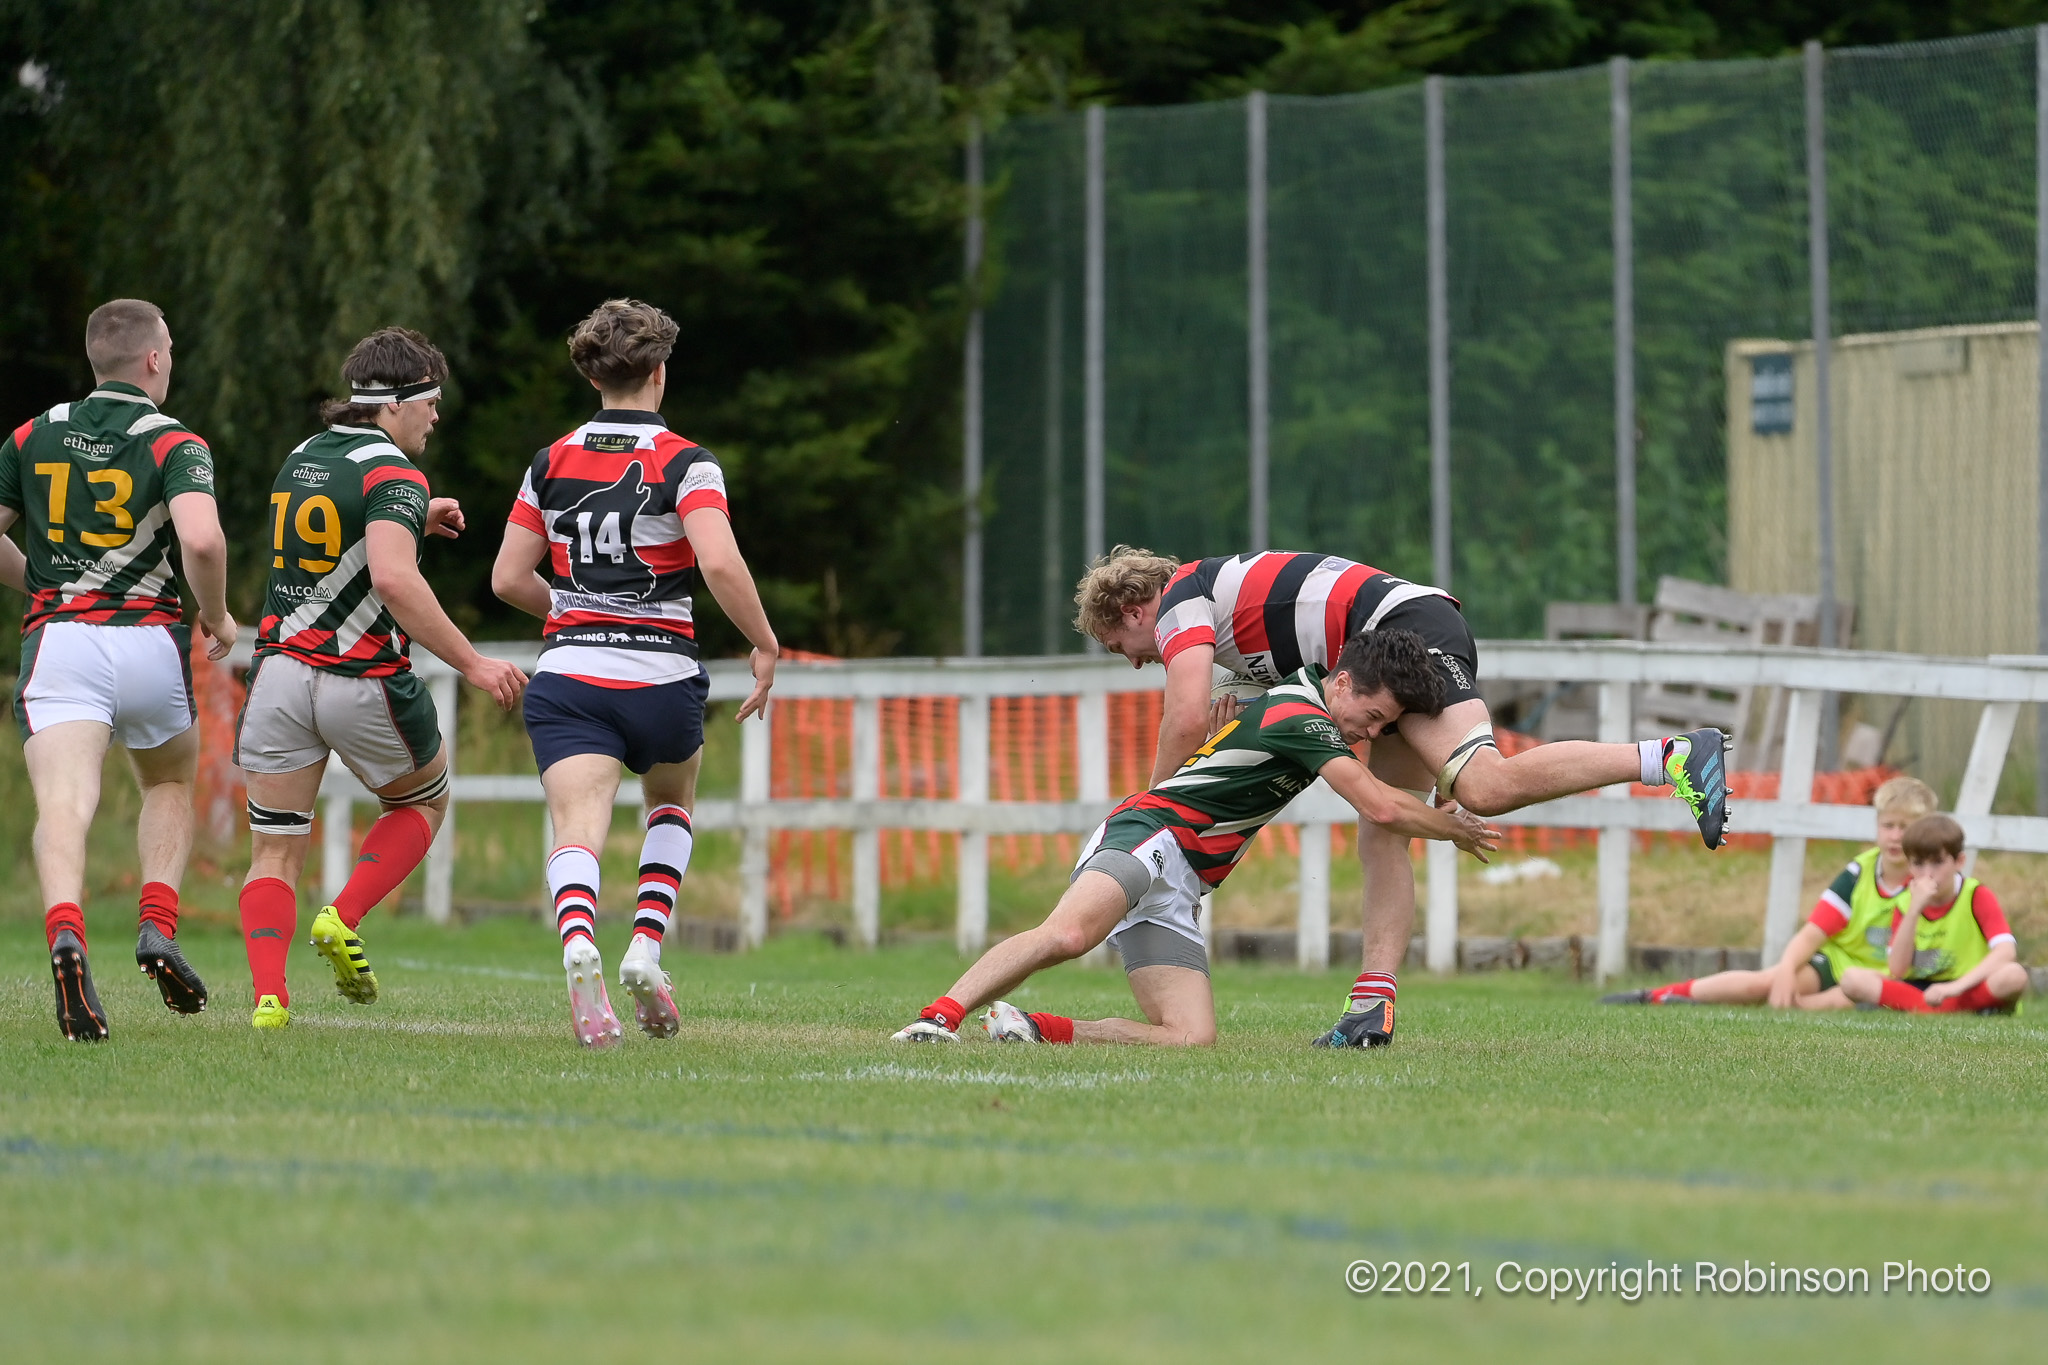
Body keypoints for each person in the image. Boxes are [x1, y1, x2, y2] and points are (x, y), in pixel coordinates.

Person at [1073, 545, 1731, 1048]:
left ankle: (1669, 756)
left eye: (1120, 645)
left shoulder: (1182, 600)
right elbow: (1300, 693)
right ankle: (1369, 1008)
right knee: (1382, 827)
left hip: (1405, 629)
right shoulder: (1220, 616)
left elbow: (1185, 716)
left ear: (1135, 609)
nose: (1135, 659)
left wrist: (1154, 813)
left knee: (1483, 784)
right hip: (1393, 632)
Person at [891, 630, 1501, 1046]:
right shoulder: (1304, 716)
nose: (1371, 732)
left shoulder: (1301, 705)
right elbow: (1378, 805)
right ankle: (937, 1018)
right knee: (1069, 935)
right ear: (1342, 683)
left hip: (1183, 880)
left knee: (1189, 1039)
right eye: (1372, 717)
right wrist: (1453, 824)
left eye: (1385, 726)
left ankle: (1032, 1028)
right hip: (1151, 834)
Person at [491, 298, 777, 1049]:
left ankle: (578, 939)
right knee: (670, 802)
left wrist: (574, 606)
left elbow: (506, 578)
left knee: (576, 826)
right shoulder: (686, 460)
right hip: (661, 677)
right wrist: (764, 640)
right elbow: (715, 559)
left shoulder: (549, 461)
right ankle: (646, 946)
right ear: (658, 371)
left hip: (571, 674)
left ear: (595, 377)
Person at [233, 327, 527, 1030]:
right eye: (430, 400)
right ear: (395, 402)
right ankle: (344, 916)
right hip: (360, 679)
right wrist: (474, 662)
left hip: (277, 678)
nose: (435, 415)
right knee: (423, 802)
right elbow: (393, 578)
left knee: (274, 845)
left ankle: (269, 998)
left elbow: (335, 538)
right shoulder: (395, 472)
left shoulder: (303, 455)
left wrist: (413, 516)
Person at [0, 298, 236, 1041]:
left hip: (63, 639)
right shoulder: (175, 441)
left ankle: (66, 932)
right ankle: (157, 926)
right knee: (166, 780)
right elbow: (200, 539)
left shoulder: (31, 434)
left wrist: (37, 581)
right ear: (154, 359)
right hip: (146, 644)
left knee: (65, 804)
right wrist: (219, 614)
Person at [1602, 776, 1937, 1009]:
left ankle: (1799, 1008)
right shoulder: (1859, 872)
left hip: (1888, 980)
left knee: (1847, 999)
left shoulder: (1936, 881)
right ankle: (1657, 996)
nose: (1895, 837)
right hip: (1838, 965)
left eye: (1904, 828)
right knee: (1764, 983)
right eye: (1888, 826)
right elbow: (1812, 934)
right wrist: (1786, 972)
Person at [1839, 814, 2031, 1015]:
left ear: (1959, 861)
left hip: (1966, 986)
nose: (1927, 873)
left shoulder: (1975, 895)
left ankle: (1922, 1008)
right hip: (1917, 987)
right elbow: (1897, 968)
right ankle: (1957, 1010)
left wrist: (1954, 988)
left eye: (1938, 862)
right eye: (1918, 864)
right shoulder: (1905, 901)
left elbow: (2006, 951)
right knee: (1851, 979)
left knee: (2014, 975)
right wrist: (1914, 910)